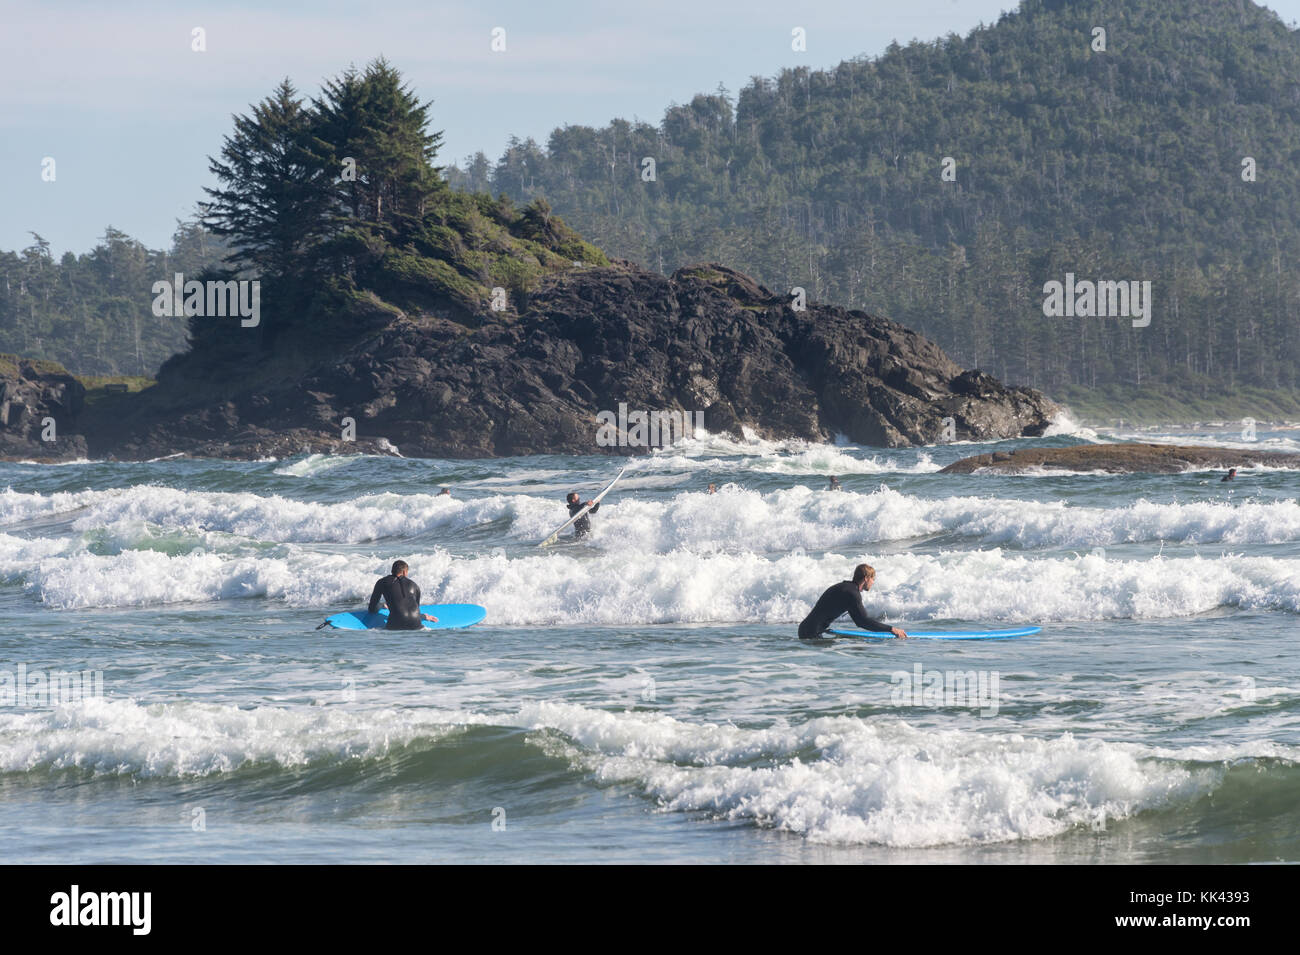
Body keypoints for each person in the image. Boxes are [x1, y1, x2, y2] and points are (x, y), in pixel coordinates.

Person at [798, 563, 906, 640]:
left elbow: (859, 620)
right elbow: (863, 622)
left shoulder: (844, 588)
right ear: (866, 578)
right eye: (873, 579)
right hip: (811, 633)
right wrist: (891, 629)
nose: (873, 582)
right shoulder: (852, 594)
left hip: (807, 630)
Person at [368, 560, 437, 630]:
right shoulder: (414, 585)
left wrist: (381, 605)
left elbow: (372, 608)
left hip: (394, 626)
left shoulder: (382, 582)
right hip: (417, 625)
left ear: (392, 570)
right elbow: (414, 610)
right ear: (404, 572)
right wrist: (424, 616)